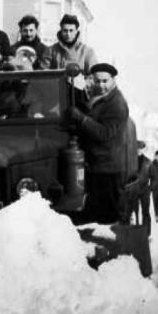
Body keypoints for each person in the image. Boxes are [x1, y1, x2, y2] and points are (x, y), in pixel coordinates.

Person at [64, 62, 129, 224]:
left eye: (105, 81)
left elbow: (104, 133)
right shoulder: (97, 98)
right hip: (96, 166)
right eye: (97, 81)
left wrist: (81, 119)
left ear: (113, 80)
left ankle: (114, 245)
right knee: (96, 213)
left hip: (108, 168)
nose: (100, 85)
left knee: (109, 215)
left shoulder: (117, 104)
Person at [133, 140, 151, 232]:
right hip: (133, 189)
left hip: (144, 189)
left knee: (145, 212)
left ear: (143, 149)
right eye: (137, 148)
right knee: (133, 211)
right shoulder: (130, 161)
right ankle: (134, 231)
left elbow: (153, 176)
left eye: (140, 148)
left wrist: (150, 187)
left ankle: (146, 232)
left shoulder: (148, 161)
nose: (138, 150)